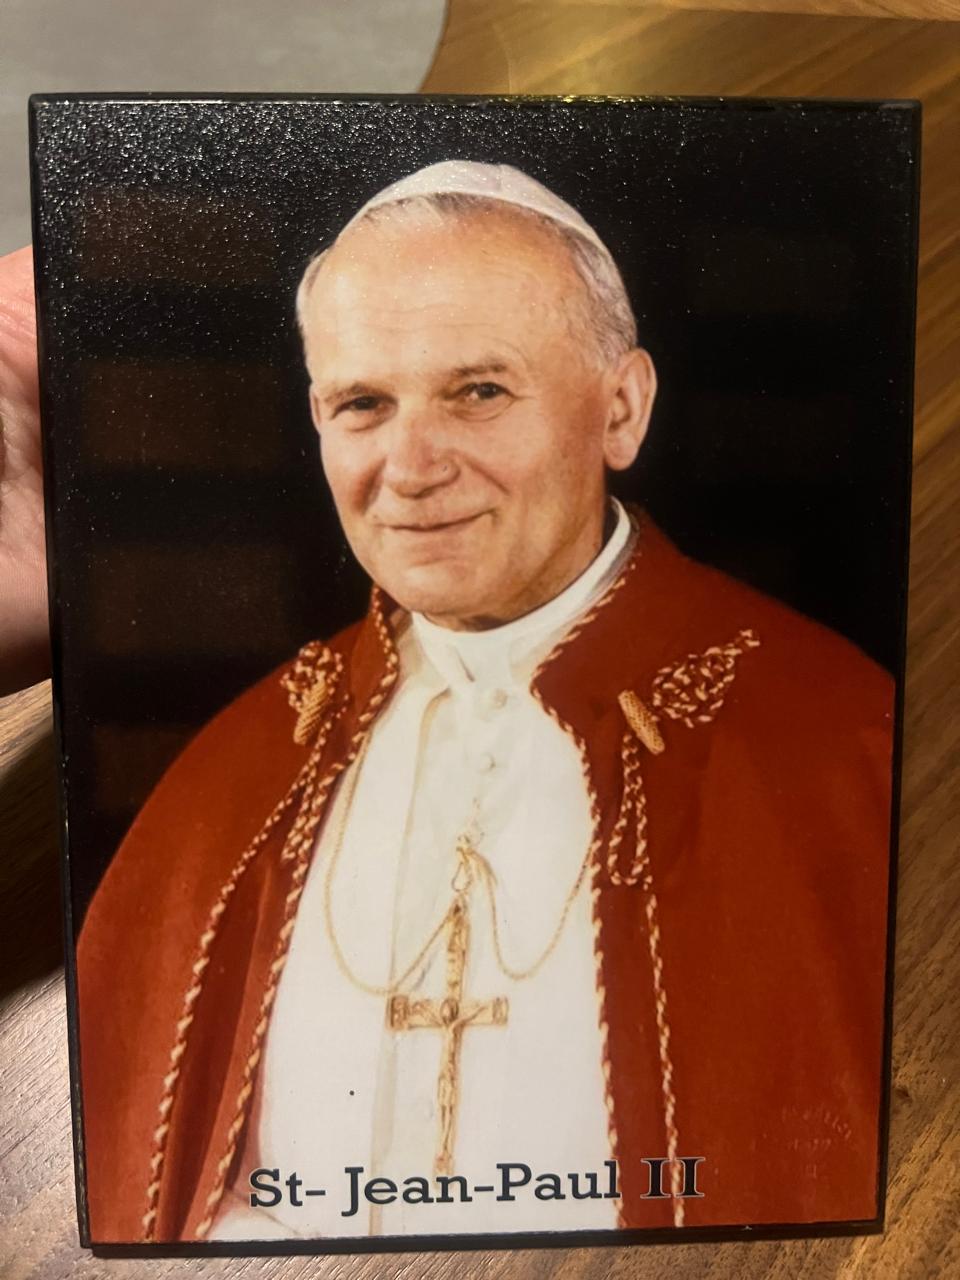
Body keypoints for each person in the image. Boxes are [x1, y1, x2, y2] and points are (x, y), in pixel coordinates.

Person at [70, 162, 894, 1244]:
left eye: (479, 392)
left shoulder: (838, 734)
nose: (410, 467)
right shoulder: (245, 764)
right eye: (363, 404)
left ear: (622, 409)